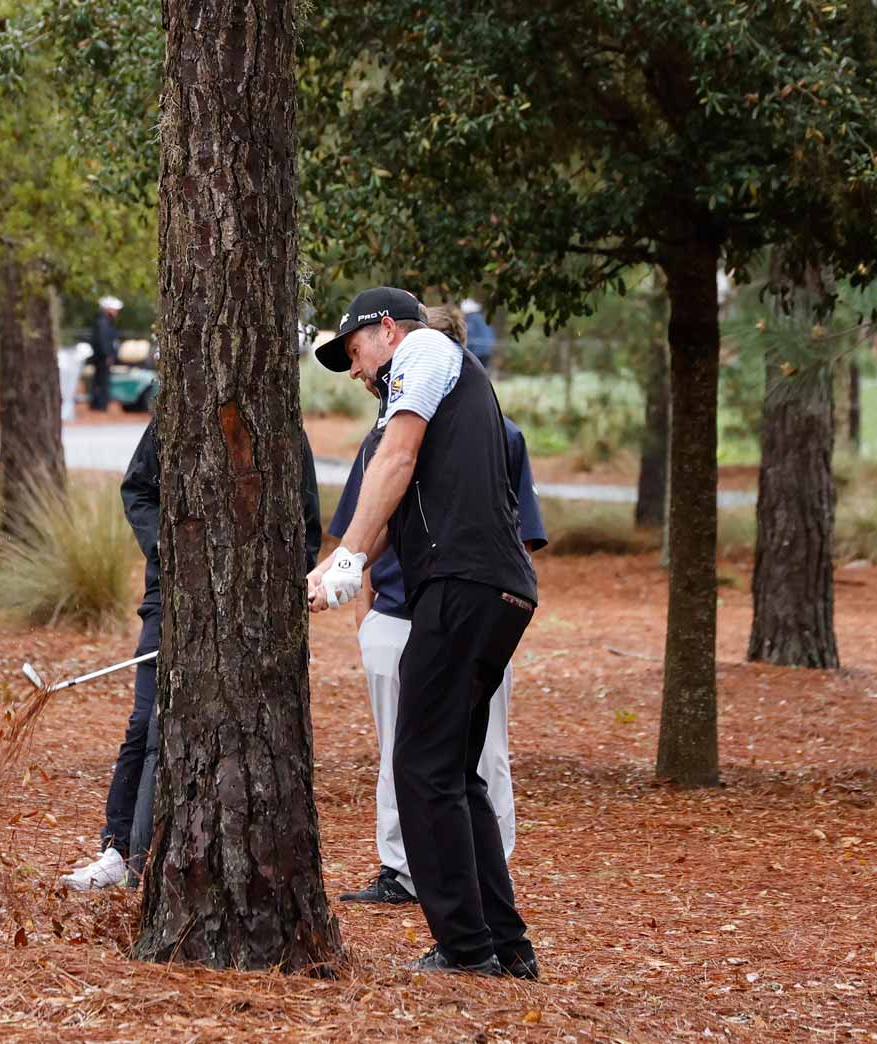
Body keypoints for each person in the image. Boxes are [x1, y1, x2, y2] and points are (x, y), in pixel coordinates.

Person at [307, 286, 539, 979]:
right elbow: (394, 496)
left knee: (419, 767)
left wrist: (348, 555)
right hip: (492, 589)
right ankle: (506, 947)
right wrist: (342, 566)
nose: (355, 371)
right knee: (455, 770)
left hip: (463, 586)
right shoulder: (426, 390)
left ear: (387, 330)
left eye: (355, 352)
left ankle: (466, 949)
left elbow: (397, 459)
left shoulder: (427, 350)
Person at [61, 418, 324, 889]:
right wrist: (168, 546)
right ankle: (119, 851)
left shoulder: (282, 425)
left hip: (250, 612)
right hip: (171, 598)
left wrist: (275, 589)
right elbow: (137, 490)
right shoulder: (173, 418)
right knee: (145, 723)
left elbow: (306, 527)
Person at [88, 296, 122, 412]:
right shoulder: (103, 323)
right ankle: (100, 405)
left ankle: (99, 404)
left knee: (100, 380)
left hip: (103, 357)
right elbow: (103, 341)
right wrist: (108, 355)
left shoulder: (106, 322)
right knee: (102, 381)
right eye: (115, 309)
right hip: (102, 358)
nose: (116, 312)